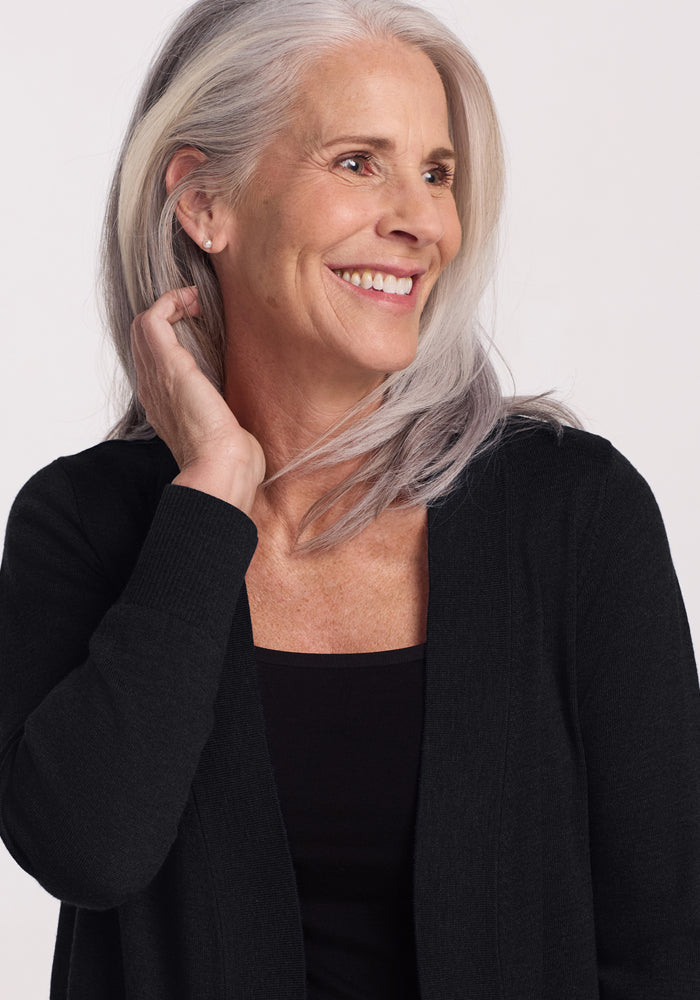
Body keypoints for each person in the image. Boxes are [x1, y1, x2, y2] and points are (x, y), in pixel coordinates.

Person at [1, 0, 698, 996]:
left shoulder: (573, 514)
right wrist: (212, 495)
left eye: (437, 173)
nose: (419, 222)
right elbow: (87, 851)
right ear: (204, 202)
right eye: (358, 162)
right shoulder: (84, 526)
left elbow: (664, 941)